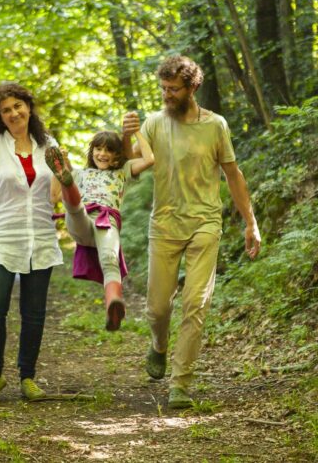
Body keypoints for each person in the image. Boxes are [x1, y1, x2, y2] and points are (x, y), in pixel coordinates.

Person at [121, 55, 261, 409]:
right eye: (163, 88)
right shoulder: (153, 123)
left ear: (192, 88)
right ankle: (159, 345)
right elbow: (130, 164)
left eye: (173, 89)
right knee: (156, 309)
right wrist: (126, 137)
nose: (167, 95)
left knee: (196, 303)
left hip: (205, 223)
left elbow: (233, 174)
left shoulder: (216, 126)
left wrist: (251, 222)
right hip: (164, 225)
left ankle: (180, 383)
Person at [0, 83, 63, 402]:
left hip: (40, 240)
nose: (13, 113)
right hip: (1, 239)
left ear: (28, 107)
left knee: (34, 312)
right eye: (6, 110)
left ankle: (28, 377)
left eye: (18, 106)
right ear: (0, 117)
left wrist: (63, 172)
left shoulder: (49, 145)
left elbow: (57, 196)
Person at [45, 129, 155, 331]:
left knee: (109, 259)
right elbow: (53, 197)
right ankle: (65, 179)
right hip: (82, 220)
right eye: (98, 148)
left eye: (109, 150)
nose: (102, 154)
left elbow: (149, 159)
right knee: (75, 210)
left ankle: (114, 305)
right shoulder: (80, 172)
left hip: (107, 220)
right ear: (92, 151)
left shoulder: (123, 172)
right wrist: (58, 171)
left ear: (117, 155)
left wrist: (137, 132)